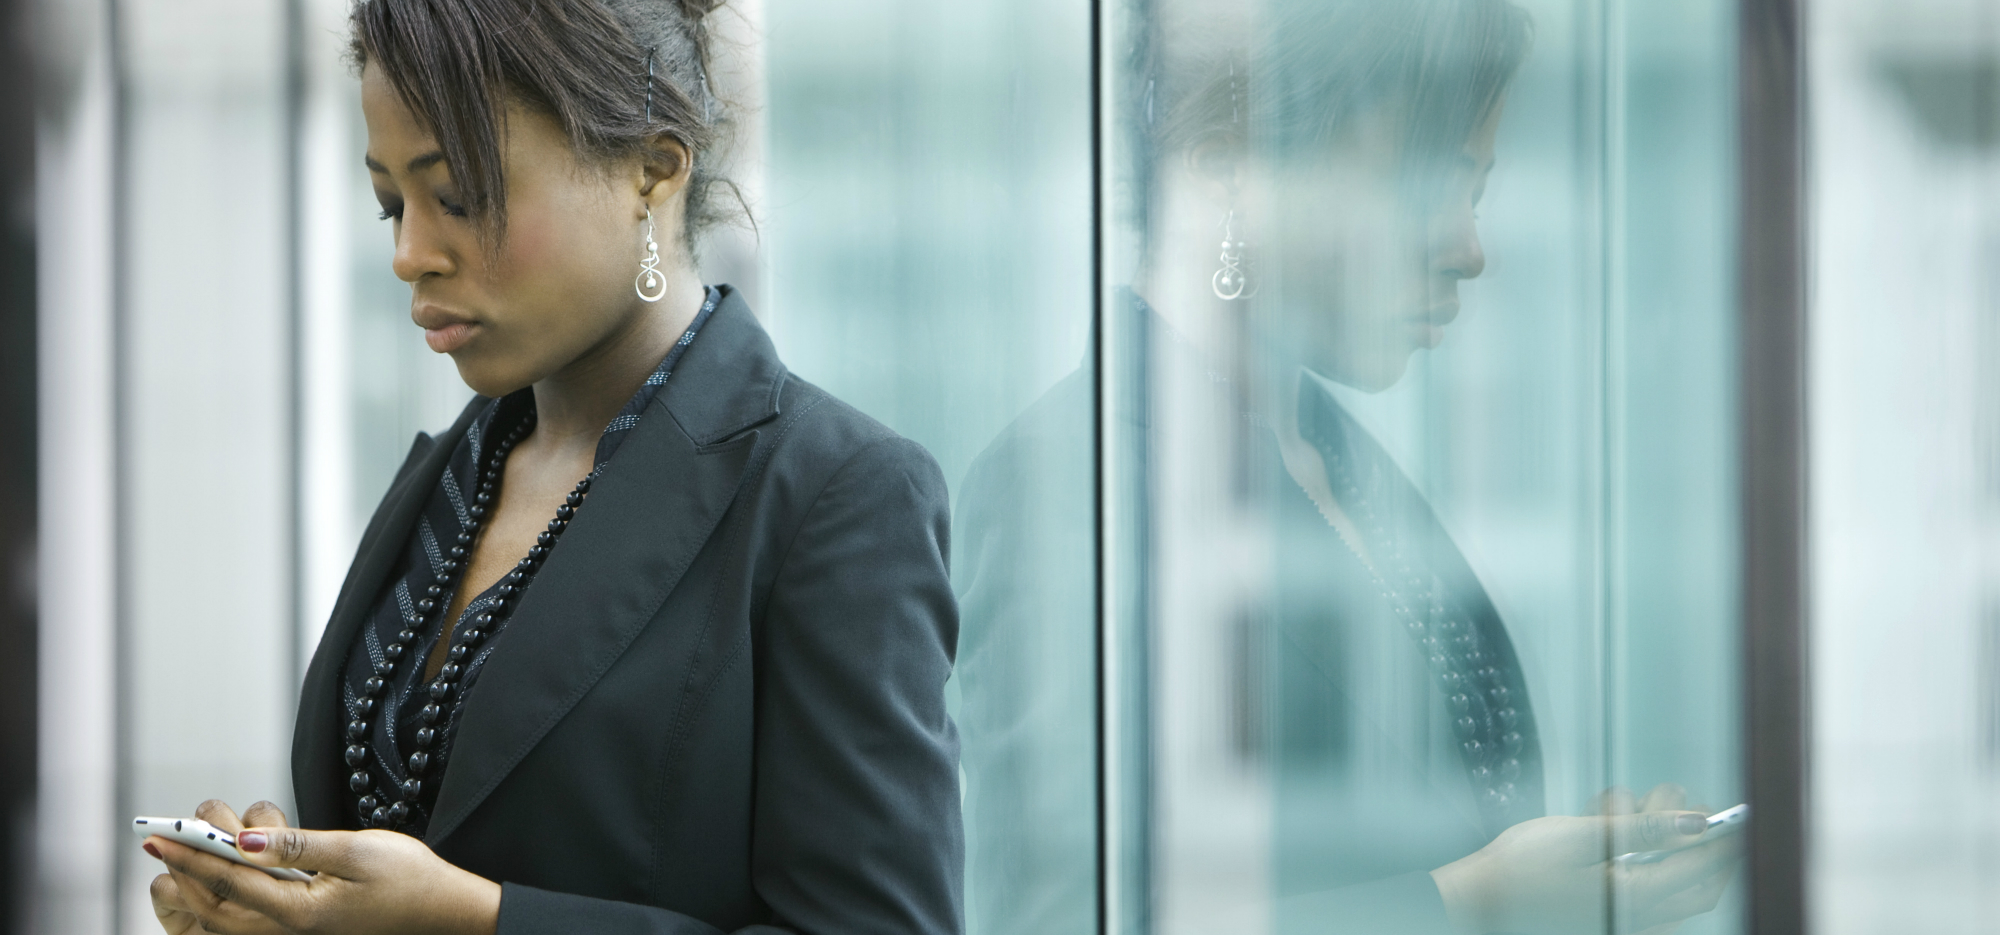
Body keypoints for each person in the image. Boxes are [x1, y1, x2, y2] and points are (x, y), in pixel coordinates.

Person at [142, 1, 963, 933]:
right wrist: (283, 903)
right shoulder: (451, 480)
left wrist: (476, 922)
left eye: (458, 196)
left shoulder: (837, 496)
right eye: (390, 203)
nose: (411, 252)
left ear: (649, 172)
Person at [954, 1, 1738, 932]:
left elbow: (1429, 832)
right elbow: (1059, 914)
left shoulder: (1342, 468)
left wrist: (1570, 869)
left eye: (1476, 193)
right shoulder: (1066, 486)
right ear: (1225, 166)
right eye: (1422, 183)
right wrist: (1480, 902)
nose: (1470, 249)